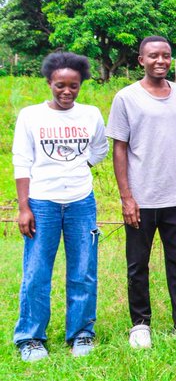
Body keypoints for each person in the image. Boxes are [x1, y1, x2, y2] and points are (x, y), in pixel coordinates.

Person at [109, 36, 176, 348]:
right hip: (141, 199)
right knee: (137, 264)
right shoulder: (126, 98)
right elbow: (120, 148)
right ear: (140, 60)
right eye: (153, 56)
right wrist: (126, 196)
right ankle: (140, 325)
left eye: (166, 56)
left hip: (175, 197)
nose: (161, 61)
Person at [12, 53, 108, 362]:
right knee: (37, 272)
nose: (67, 92)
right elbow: (22, 161)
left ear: (81, 85)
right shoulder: (31, 116)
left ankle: (81, 333)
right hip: (42, 203)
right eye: (60, 86)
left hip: (81, 202)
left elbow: (99, 149)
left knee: (83, 271)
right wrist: (24, 207)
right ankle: (30, 337)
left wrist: (80, 166)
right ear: (49, 83)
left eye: (74, 86)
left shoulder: (91, 114)